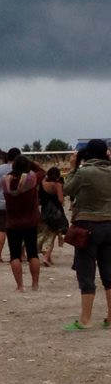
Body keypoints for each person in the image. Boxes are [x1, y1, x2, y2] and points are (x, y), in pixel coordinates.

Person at [61, 139, 111, 330]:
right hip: (110, 225)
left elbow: (67, 189)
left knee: (86, 274)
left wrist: (73, 167)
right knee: (109, 273)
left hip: (87, 226)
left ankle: (86, 319)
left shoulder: (84, 172)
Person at [2, 155, 45, 292]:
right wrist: (30, 164)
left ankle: (20, 286)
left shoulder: (6, 182)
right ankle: (35, 284)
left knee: (14, 255)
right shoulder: (32, 179)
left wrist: (15, 169)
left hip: (13, 223)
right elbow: (42, 172)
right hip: (30, 222)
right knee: (33, 253)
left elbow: (10, 176)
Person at [37, 167, 68, 266]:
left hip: (45, 210)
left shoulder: (42, 183)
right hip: (55, 212)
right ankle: (46, 257)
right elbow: (60, 199)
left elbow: (39, 198)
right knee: (52, 235)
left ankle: (47, 257)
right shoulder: (57, 185)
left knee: (45, 232)